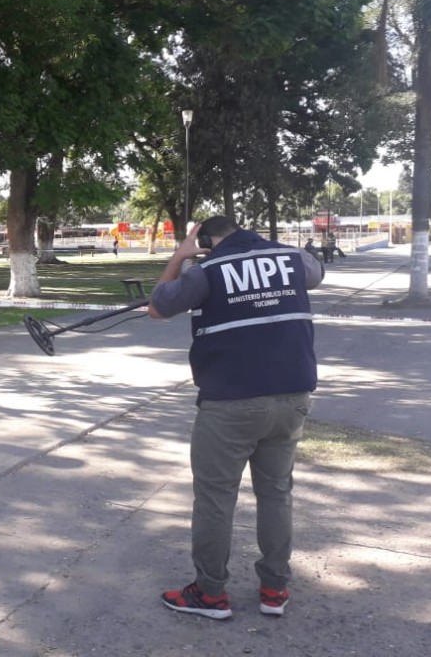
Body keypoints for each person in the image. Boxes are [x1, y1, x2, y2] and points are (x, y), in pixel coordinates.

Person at [148, 216, 323, 620]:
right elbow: (316, 274)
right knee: (276, 493)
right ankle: (274, 590)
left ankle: (210, 594)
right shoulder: (292, 259)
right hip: (292, 396)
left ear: (207, 241)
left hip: (231, 402)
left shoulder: (206, 270)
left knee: (215, 498)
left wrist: (179, 256)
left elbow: (158, 307)